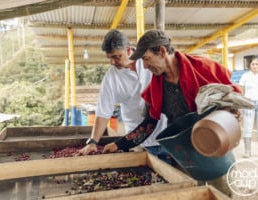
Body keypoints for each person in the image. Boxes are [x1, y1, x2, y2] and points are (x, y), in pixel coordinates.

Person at [102, 29, 241, 196]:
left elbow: (232, 96)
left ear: (161, 51)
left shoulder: (203, 68)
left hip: (214, 146)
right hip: (185, 154)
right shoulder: (156, 86)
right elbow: (149, 124)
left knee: (222, 193)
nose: (145, 66)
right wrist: (119, 144)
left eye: (146, 59)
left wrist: (231, 112)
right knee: (191, 194)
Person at [77, 29, 168, 161]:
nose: (112, 62)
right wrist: (93, 142)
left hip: (164, 135)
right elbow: (103, 112)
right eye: (110, 58)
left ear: (128, 50)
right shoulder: (111, 78)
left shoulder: (150, 61)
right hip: (136, 140)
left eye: (116, 56)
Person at [239, 55, 258, 158]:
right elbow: (241, 91)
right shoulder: (245, 76)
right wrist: (242, 105)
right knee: (247, 128)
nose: (255, 66)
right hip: (249, 105)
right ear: (249, 65)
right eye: (252, 64)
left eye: (257, 64)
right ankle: (247, 151)